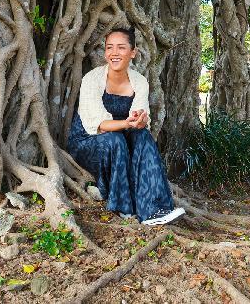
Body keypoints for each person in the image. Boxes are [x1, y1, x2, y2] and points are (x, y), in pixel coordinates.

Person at [67, 27, 185, 226]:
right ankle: (124, 207)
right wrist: (127, 123)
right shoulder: (92, 79)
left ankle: (155, 209)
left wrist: (139, 120)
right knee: (116, 140)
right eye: (109, 48)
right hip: (88, 142)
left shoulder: (140, 82)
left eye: (121, 48)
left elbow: (139, 118)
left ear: (133, 53)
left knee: (143, 137)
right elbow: (99, 125)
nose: (114, 53)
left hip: (122, 137)